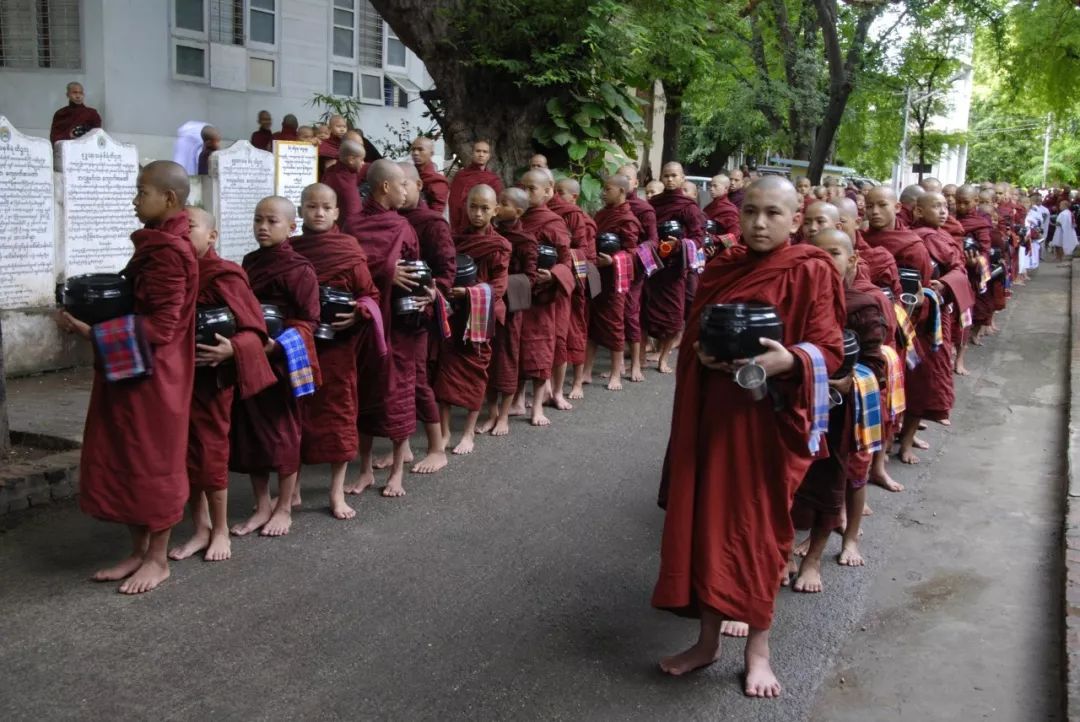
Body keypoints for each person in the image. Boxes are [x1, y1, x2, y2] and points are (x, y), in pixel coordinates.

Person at [653, 176, 844, 697]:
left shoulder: (810, 270)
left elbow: (827, 350)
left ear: (795, 219)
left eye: (773, 214)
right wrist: (702, 356)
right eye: (752, 212)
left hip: (767, 425)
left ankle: (758, 652)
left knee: (761, 536)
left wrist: (791, 359)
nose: (760, 223)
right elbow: (695, 336)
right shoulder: (722, 266)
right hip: (715, 416)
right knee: (707, 526)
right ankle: (707, 642)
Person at [55, 160, 197, 594]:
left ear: (168, 199)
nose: (135, 200)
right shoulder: (157, 243)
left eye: (141, 192)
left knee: (153, 461)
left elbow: (162, 327)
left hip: (155, 376)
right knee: (128, 458)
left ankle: (158, 560)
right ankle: (138, 552)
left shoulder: (170, 252)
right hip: (132, 369)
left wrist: (91, 330)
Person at [169, 208, 275, 563]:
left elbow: (255, 329)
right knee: (185, 454)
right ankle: (199, 528)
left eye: (191, 228)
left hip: (213, 381)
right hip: (176, 379)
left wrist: (233, 348)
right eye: (177, 228)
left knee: (211, 454)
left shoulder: (224, 274)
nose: (182, 234)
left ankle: (219, 530)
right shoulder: (168, 272)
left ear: (211, 236)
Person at [229, 196, 320, 538]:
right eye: (258, 220)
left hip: (282, 358)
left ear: (291, 227)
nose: (263, 227)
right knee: (251, 431)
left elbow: (309, 319)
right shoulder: (250, 262)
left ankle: (284, 507)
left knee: (283, 433)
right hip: (252, 354)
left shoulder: (299, 269)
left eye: (272, 221)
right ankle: (262, 504)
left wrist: (275, 345)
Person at [291, 183, 379, 521]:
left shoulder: (348, 250)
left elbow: (370, 294)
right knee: (298, 415)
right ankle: (293, 487)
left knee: (340, 416)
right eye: (312, 207)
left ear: (337, 212)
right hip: (301, 347)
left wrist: (359, 312)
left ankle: (335, 490)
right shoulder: (291, 250)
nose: (319, 213)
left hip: (339, 349)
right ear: (300, 211)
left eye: (326, 207)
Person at [345, 160, 430, 499]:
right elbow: (349, 268)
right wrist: (386, 271)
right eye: (401, 185)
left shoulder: (404, 227)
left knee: (399, 394)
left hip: (399, 325)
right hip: (368, 324)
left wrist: (428, 291)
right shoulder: (352, 225)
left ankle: (397, 470)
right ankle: (365, 469)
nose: (406, 191)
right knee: (365, 394)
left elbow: (416, 270)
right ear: (384, 187)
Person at [433, 184, 511, 453]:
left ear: (495, 210)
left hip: (479, 318)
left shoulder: (500, 245)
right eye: (473, 207)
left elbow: (499, 287)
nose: (478, 213)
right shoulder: (454, 239)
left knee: (476, 375)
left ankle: (468, 433)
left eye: (484, 208)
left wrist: (469, 292)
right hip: (454, 316)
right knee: (443, 375)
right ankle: (443, 434)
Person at [398, 162, 455, 475]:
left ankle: (436, 447)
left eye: (404, 183)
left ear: (418, 186)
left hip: (418, 310)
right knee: (394, 380)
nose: (399, 189)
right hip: (390, 310)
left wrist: (435, 292)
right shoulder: (388, 221)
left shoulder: (433, 223)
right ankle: (402, 446)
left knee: (418, 378)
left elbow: (447, 270)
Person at [478, 187, 538, 436]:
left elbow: (531, 277)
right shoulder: (490, 235)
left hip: (511, 309)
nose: (498, 206)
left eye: (503, 203)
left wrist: (501, 282)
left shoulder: (526, 241)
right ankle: (491, 413)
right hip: (487, 304)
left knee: (508, 360)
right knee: (489, 361)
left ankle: (504, 416)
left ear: (519, 211)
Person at [516, 169, 574, 427]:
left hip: (543, 298)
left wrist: (552, 276)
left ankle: (538, 406)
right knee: (516, 349)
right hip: (519, 292)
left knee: (541, 349)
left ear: (546, 191)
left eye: (532, 189)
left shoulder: (553, 221)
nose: (527, 194)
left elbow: (566, 260)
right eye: (524, 188)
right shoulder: (516, 218)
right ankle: (517, 399)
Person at [584, 174, 641, 391]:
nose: (603, 193)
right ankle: (587, 370)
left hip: (616, 279)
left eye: (608, 189)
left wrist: (613, 260)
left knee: (615, 325)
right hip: (597, 275)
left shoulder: (628, 219)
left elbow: (633, 252)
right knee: (592, 325)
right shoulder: (601, 214)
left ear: (622, 192)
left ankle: (616, 373)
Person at [648, 162, 704, 374]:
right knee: (646, 311)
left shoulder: (688, 207)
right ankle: (646, 354)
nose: (670, 180)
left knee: (673, 315)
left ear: (682, 178)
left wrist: (678, 245)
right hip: (653, 266)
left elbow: (698, 237)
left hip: (675, 268)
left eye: (674, 176)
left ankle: (664, 357)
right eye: (666, 176)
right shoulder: (653, 204)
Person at [550, 177, 597, 405]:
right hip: (554, 279)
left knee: (576, 329)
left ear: (574, 197)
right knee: (555, 332)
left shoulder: (577, 216)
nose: (557, 197)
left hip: (575, 278)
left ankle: (577, 381)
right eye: (555, 191)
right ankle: (550, 386)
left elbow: (586, 251)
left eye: (561, 192)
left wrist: (565, 253)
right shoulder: (547, 213)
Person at [617, 163, 658, 383]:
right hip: (611, 266)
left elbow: (653, 241)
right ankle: (619, 362)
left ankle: (636, 364)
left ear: (635, 182)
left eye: (628, 178)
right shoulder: (610, 208)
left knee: (631, 312)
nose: (623, 182)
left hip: (633, 266)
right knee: (614, 313)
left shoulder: (644, 209)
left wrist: (631, 254)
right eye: (619, 177)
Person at [449, 140, 504, 232]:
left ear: (489, 156)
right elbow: (454, 204)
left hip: (485, 226)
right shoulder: (461, 176)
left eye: (484, 152)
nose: (481, 154)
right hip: (462, 226)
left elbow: (497, 205)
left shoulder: (494, 180)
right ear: (472, 153)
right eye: (478, 151)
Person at [320, 139, 365, 235]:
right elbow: (354, 215)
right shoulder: (345, 183)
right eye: (361, 160)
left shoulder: (331, 171)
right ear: (351, 160)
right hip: (344, 232)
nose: (363, 163)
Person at [410, 136, 450, 214]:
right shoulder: (408, 176)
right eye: (413, 150)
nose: (415, 153)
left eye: (420, 149)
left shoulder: (437, 181)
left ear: (431, 154)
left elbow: (437, 213)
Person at [703, 174, 741, 249]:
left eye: (715, 186)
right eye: (710, 186)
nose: (711, 189)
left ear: (726, 188)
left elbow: (734, 236)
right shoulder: (709, 207)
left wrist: (715, 242)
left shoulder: (729, 210)